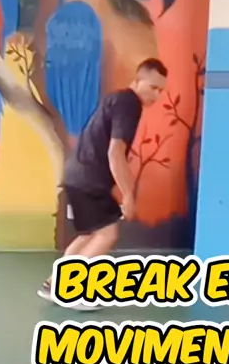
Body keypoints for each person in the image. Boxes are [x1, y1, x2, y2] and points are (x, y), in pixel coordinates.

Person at [38, 57, 168, 304]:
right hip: (89, 180)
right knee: (106, 235)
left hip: (76, 175)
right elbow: (115, 153)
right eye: (153, 87)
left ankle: (53, 285)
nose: (157, 95)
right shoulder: (129, 104)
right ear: (138, 81)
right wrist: (128, 195)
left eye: (161, 90)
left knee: (88, 235)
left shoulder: (117, 100)